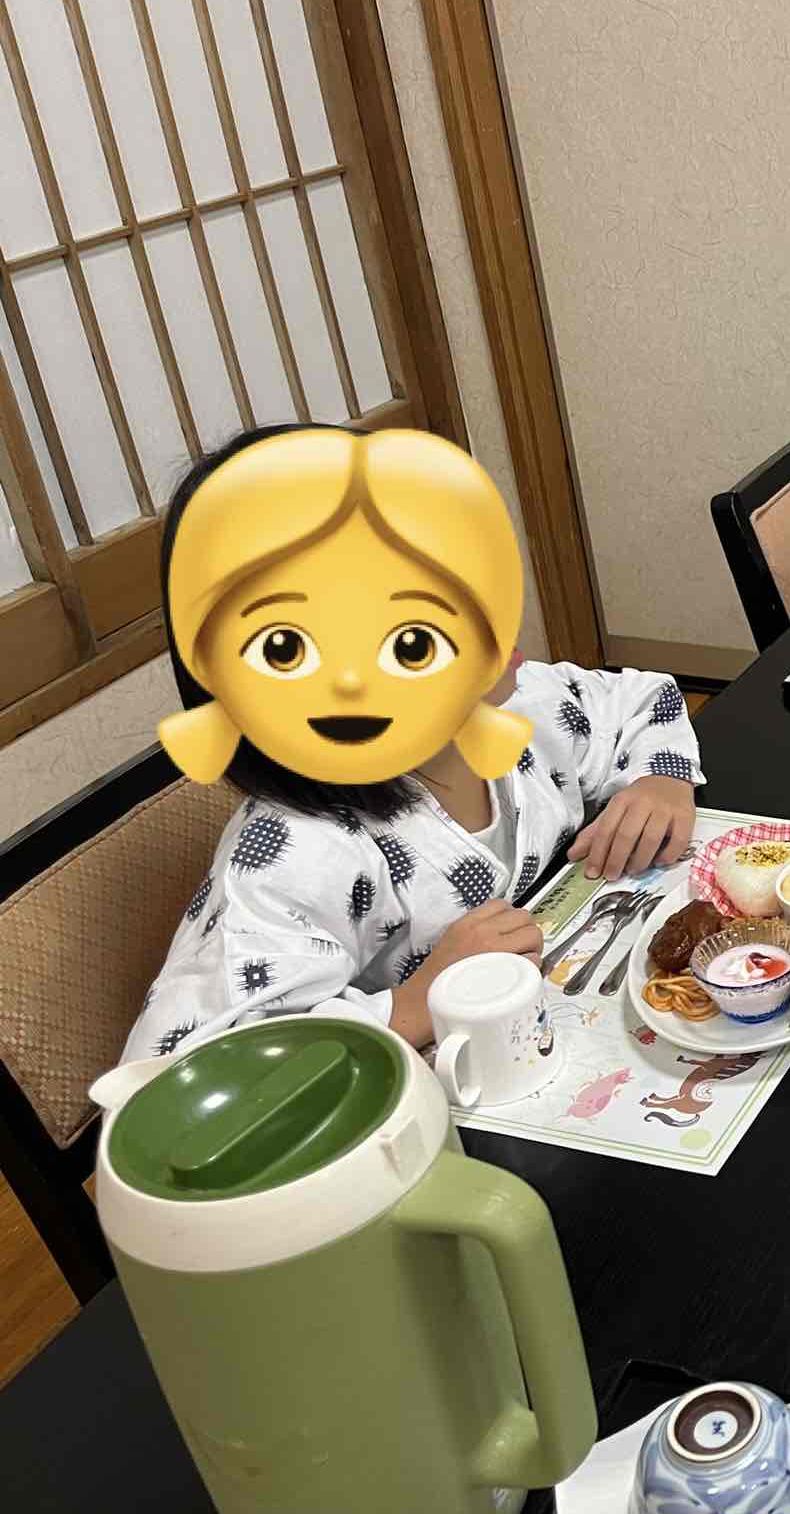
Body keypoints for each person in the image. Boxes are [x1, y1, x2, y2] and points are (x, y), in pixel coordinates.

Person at [123, 425, 704, 1061]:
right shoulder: (292, 854)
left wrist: (661, 780)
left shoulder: (520, 708)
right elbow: (189, 1073)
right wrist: (415, 1004)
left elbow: (641, 699)